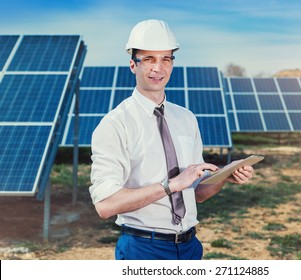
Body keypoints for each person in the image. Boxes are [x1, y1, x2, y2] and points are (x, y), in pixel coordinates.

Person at [89, 19, 254, 260]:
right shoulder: (115, 124)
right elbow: (105, 205)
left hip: (189, 247)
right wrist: (171, 185)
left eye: (165, 59)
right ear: (132, 65)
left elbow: (196, 193)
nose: (158, 68)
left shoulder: (186, 118)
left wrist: (224, 176)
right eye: (148, 59)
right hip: (142, 248)